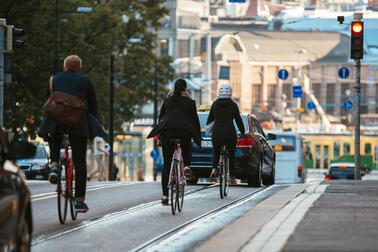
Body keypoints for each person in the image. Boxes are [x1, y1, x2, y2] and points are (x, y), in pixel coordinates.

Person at [38, 55, 99, 213]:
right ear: (79, 68)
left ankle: (54, 166)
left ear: (65, 67)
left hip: (57, 120)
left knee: (54, 137)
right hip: (77, 123)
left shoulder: (54, 79)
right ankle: (79, 201)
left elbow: (47, 99)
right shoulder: (85, 80)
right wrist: (94, 122)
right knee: (79, 163)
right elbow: (93, 104)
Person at [148, 79, 201, 205]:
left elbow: (161, 119)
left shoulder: (167, 101)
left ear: (174, 89)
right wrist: (198, 139)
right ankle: (187, 166)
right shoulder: (190, 102)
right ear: (186, 89)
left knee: (167, 164)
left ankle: (165, 196)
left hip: (167, 132)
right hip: (184, 131)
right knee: (187, 146)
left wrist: (160, 137)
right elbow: (195, 121)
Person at [207, 84, 245, 184]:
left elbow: (209, 120)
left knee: (216, 152)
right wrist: (243, 132)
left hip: (217, 133)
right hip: (230, 134)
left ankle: (214, 168)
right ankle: (232, 177)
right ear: (230, 93)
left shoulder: (214, 104)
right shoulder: (233, 105)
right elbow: (238, 121)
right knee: (231, 155)